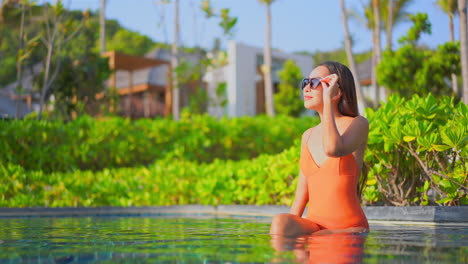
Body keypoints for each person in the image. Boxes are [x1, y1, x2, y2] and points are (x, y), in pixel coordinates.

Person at [270, 61, 369, 237]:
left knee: (318, 240)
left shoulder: (357, 124)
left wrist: (328, 103)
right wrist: (286, 233)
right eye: (305, 82)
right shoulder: (307, 136)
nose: (306, 88)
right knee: (280, 223)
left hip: (348, 229)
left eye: (315, 83)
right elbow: (301, 196)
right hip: (316, 229)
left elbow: (333, 149)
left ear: (336, 90)